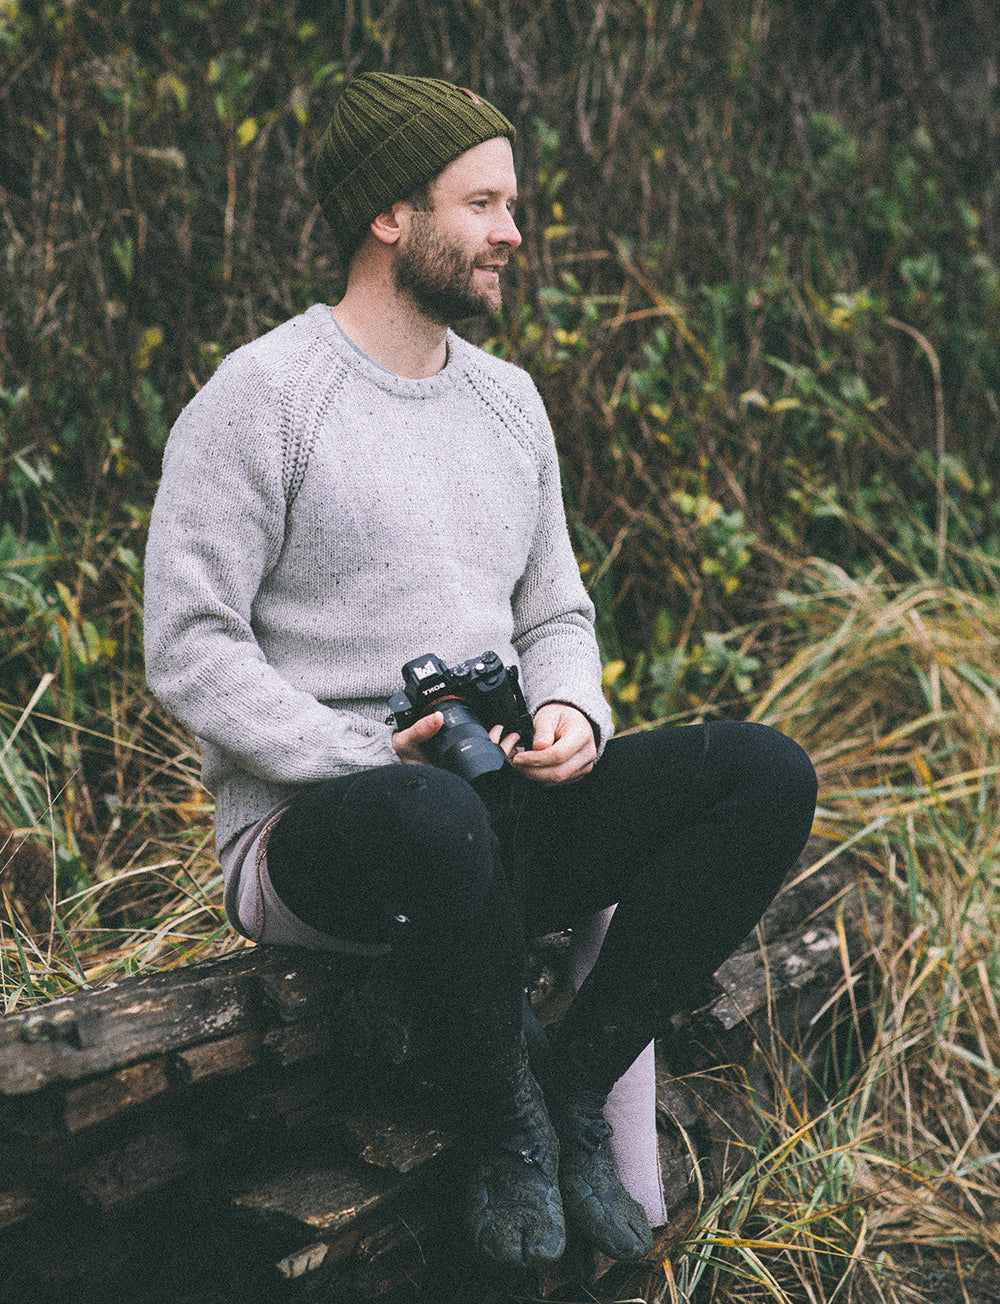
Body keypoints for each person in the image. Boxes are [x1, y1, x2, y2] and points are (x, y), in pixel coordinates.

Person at [143, 73, 817, 1272]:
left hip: (496, 814)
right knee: (428, 806)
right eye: (483, 203)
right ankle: (506, 1121)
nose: (513, 232)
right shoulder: (264, 398)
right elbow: (187, 644)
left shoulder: (507, 404)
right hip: (327, 832)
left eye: (511, 204)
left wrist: (570, 708)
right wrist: (360, 751)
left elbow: (555, 608)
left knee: (759, 772)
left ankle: (569, 1085)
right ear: (389, 216)